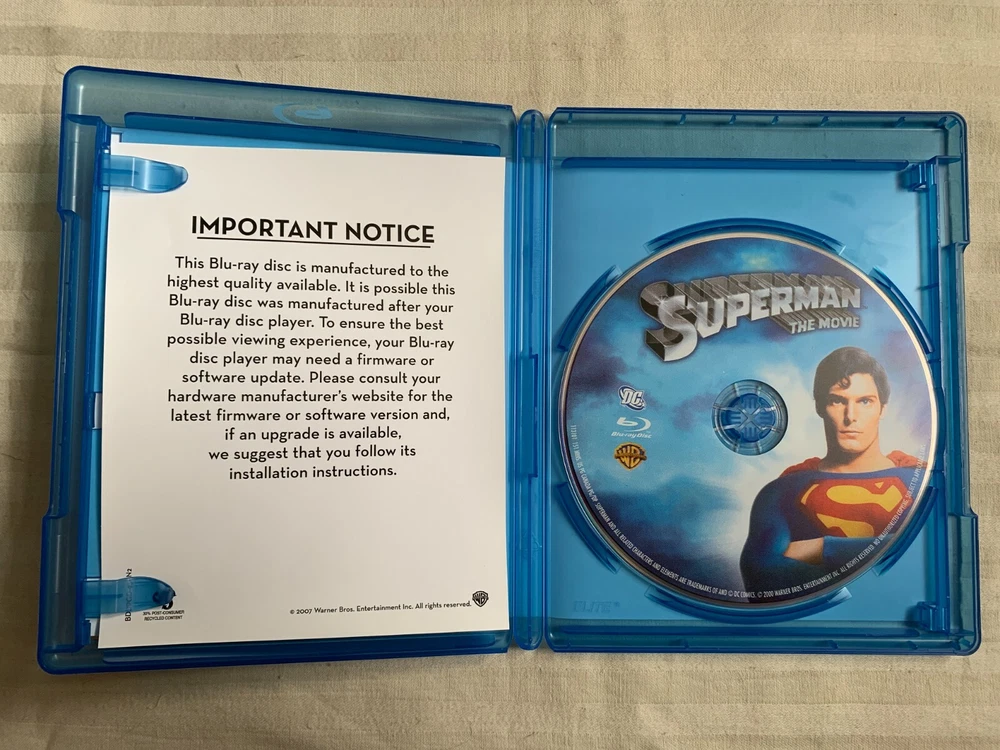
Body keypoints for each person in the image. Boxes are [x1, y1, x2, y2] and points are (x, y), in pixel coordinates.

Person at [740, 347, 923, 594]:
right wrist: (889, 547)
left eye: (865, 401)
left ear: (882, 408)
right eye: (837, 401)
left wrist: (822, 548)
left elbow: (929, 552)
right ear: (819, 406)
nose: (851, 416)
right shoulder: (783, 491)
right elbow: (762, 579)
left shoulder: (919, 479)